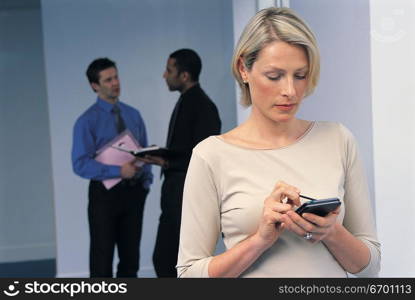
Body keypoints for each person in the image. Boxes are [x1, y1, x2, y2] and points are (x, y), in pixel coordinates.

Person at [177, 7, 380, 277]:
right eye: (274, 76)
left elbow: (371, 267)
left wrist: (332, 232)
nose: (290, 91)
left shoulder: (338, 140)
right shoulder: (211, 155)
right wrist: (259, 241)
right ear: (243, 69)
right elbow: (189, 275)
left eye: (300, 75)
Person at [72, 58, 153, 277]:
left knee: (130, 259)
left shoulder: (133, 115)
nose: (115, 83)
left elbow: (144, 151)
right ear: (95, 86)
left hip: (134, 192)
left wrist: (145, 182)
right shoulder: (86, 121)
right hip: (104, 195)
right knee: (102, 258)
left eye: (116, 77)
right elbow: (79, 163)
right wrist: (118, 172)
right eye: (108, 80)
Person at [144, 49, 221, 277]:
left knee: (168, 261)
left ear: (184, 76)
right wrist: (165, 158)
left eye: (169, 70)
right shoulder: (189, 101)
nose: (164, 75)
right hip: (176, 195)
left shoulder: (202, 106)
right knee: (165, 260)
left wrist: (168, 161)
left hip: (185, 197)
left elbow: (203, 158)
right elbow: (188, 150)